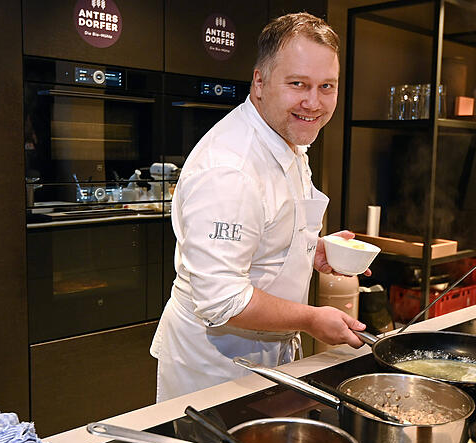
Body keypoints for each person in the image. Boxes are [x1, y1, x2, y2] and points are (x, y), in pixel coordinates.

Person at [150, 12, 366, 402]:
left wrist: (309, 250)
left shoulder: (287, 134)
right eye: (298, 83)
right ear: (260, 82)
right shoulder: (229, 170)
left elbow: (265, 230)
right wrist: (313, 319)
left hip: (266, 359)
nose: (313, 103)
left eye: (326, 86)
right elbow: (223, 299)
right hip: (214, 369)